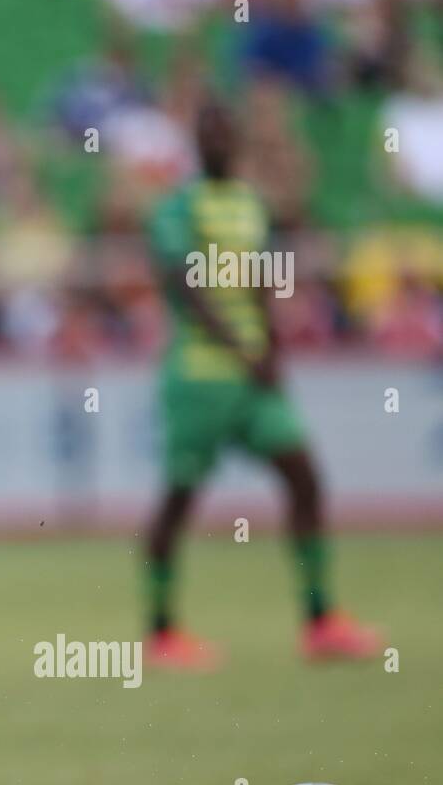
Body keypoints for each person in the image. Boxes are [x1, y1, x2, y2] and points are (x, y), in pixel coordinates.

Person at [142, 101, 380, 669]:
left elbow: (258, 284)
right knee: (179, 501)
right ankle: (161, 631)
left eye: (225, 128)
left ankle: (320, 619)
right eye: (209, 129)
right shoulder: (179, 209)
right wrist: (242, 350)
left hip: (252, 379)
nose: (219, 140)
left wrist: (271, 351)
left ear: (237, 138)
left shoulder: (251, 207)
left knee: (304, 477)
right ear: (196, 143)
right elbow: (186, 291)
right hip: (200, 377)